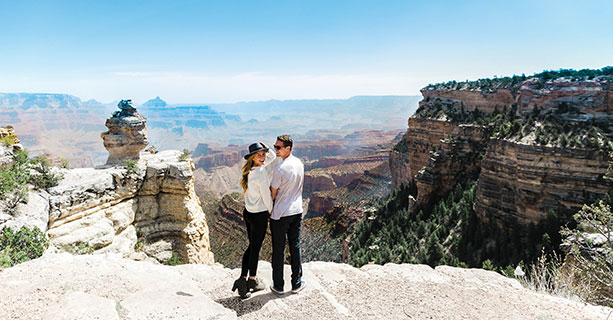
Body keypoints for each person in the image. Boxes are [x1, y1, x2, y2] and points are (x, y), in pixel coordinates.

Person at [232, 142, 276, 299]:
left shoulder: (251, 170)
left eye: (263, 154)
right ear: (252, 157)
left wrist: (266, 150)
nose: (264, 157)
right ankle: (249, 281)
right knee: (255, 249)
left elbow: (271, 157)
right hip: (259, 216)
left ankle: (244, 279)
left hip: (248, 213)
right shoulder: (261, 173)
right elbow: (266, 195)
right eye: (260, 155)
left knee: (252, 247)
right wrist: (272, 212)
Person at [269, 134, 306, 294]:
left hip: (280, 214)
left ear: (288, 148)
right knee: (295, 245)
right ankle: (296, 283)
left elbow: (272, 192)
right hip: (297, 211)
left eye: (278, 147)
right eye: (275, 146)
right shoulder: (299, 163)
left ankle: (278, 286)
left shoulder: (280, 169)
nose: (275, 149)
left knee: (278, 250)